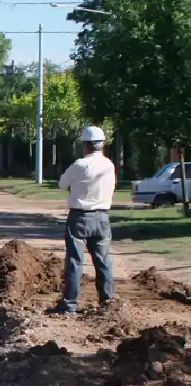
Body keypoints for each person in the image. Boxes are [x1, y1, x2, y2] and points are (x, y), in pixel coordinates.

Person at [51, 125, 116, 314]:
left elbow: (62, 184)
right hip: (102, 218)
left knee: (74, 261)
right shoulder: (109, 165)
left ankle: (70, 304)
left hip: (80, 217)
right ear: (102, 144)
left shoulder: (80, 165)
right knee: (103, 261)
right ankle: (107, 302)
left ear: (85, 145)